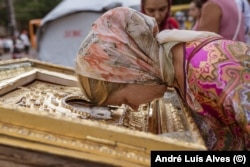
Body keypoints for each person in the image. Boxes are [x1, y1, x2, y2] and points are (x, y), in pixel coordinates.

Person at [75, 7, 250, 150]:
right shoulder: (181, 71)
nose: (135, 108)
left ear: (134, 72)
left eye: (125, 101)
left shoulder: (210, 69)